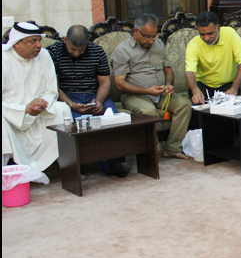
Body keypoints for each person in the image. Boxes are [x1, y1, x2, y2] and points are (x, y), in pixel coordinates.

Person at [47, 25, 131, 178]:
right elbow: (52, 86)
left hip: (94, 94)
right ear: (65, 40)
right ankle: (105, 166)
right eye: (73, 49)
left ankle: (116, 162)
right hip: (68, 97)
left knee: (113, 120)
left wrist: (99, 100)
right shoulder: (53, 53)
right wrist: (72, 105)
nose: (76, 53)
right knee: (81, 125)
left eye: (81, 49)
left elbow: (105, 82)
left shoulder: (97, 51)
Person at [111, 14, 192, 160]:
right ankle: (151, 153)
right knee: (148, 112)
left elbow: (168, 70)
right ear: (136, 31)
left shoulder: (159, 45)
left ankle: (173, 148)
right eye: (147, 36)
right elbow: (119, 83)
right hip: (135, 96)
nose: (151, 40)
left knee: (184, 104)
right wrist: (147, 91)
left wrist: (168, 85)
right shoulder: (122, 50)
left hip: (160, 93)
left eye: (154, 36)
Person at [2, 22, 72, 177]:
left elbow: (51, 90)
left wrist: (41, 104)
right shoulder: (3, 59)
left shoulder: (44, 55)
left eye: (39, 40)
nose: (38, 45)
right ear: (17, 43)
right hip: (10, 116)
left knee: (62, 109)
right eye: (32, 41)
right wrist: (24, 109)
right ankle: (5, 176)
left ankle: (68, 168)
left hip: (39, 113)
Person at [185, 11, 241, 105]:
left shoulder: (229, 33)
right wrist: (195, 91)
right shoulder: (193, 44)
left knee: (227, 108)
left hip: (227, 85)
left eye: (210, 33)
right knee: (199, 105)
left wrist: (234, 88)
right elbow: (190, 72)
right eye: (202, 35)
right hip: (203, 85)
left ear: (218, 28)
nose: (206, 38)